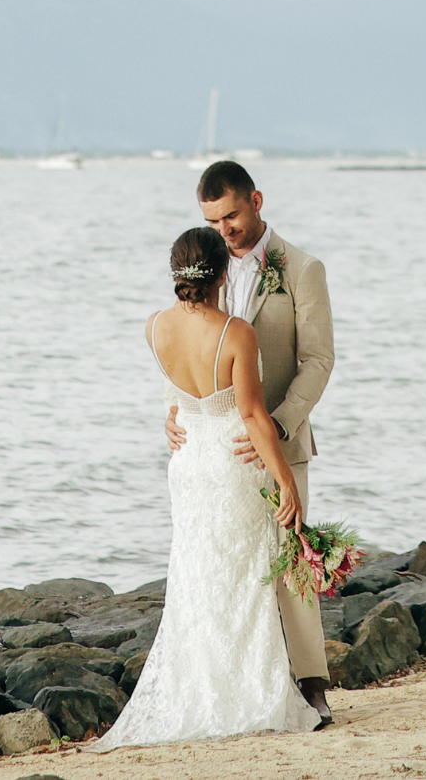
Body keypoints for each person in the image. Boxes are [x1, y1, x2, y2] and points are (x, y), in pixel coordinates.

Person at [90, 226, 322, 749]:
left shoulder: (153, 327)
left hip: (188, 462)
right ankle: (249, 694)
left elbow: (177, 396)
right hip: (231, 462)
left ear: (176, 273)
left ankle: (198, 689)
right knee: (243, 580)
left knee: (197, 576)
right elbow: (253, 415)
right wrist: (287, 480)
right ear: (222, 273)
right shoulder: (236, 332)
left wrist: (171, 417)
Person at [170, 160, 335, 720]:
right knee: (233, 566)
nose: (225, 230)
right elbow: (191, 351)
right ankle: (242, 684)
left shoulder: (302, 269)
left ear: (257, 201)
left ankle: (312, 681)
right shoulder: (203, 265)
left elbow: (318, 360)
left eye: (232, 215)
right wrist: (176, 413)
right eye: (213, 221)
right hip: (218, 448)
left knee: (293, 563)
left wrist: (282, 424)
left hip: (279, 440)